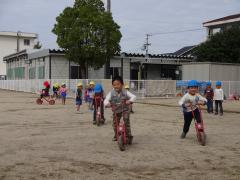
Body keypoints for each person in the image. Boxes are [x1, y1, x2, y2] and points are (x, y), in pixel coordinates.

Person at [104, 76, 136, 144]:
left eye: (118, 84)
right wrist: (107, 104)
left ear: (122, 85)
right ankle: (116, 135)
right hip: (116, 111)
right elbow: (106, 100)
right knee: (115, 124)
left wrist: (130, 101)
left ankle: (128, 136)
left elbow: (134, 97)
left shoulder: (125, 92)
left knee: (126, 120)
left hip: (125, 110)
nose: (116, 86)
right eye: (114, 85)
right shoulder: (111, 93)